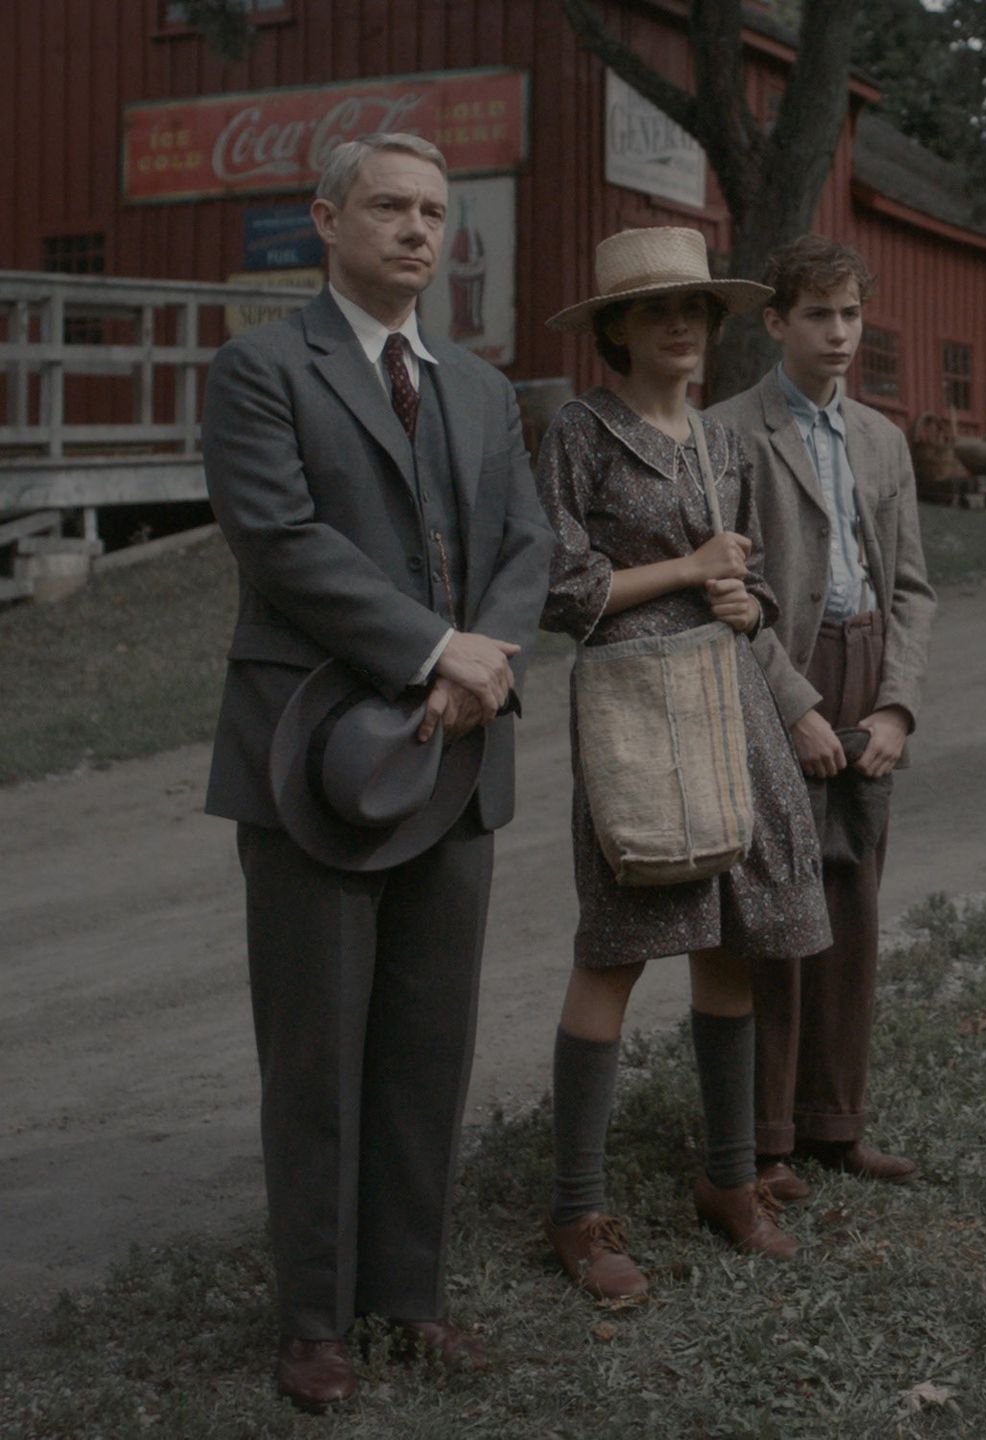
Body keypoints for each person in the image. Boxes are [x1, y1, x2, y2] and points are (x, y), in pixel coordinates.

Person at [200, 132, 553, 1411]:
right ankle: (312, 1321)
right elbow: (280, 541)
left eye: (436, 213)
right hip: (311, 753)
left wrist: (483, 660)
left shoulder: (477, 385)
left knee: (427, 1044)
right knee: (315, 1053)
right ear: (326, 220)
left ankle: (410, 1298)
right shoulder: (257, 370)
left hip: (457, 749)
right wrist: (431, 645)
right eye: (391, 207)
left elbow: (529, 541)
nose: (419, 231)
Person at [536, 227, 833, 1297]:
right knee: (617, 945)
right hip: (634, 710)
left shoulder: (722, 443)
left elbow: (736, 586)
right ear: (615, 327)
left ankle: (726, 1178)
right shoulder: (580, 432)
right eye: (658, 308)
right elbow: (561, 594)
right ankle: (577, 1212)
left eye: (697, 308)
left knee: (735, 939)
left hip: (727, 698)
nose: (681, 323)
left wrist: (736, 594)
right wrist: (688, 568)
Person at [708, 235, 936, 1201]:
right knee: (776, 909)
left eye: (851, 316)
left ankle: (836, 1124)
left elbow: (915, 588)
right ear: (775, 322)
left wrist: (896, 706)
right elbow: (726, 595)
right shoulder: (729, 432)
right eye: (817, 315)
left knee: (853, 908)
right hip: (779, 682)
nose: (838, 334)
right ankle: (764, 1141)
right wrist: (793, 705)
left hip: (865, 668)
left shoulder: (881, 440)